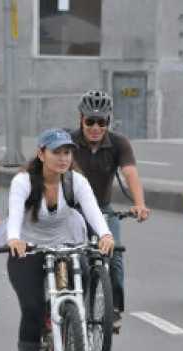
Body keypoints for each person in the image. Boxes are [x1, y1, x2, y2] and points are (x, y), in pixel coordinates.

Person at [4, 128, 114, 351]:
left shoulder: (75, 181)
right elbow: (15, 214)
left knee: (85, 273)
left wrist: (105, 234)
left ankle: (73, 326)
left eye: (67, 153)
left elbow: (92, 210)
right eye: (56, 152)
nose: (63, 158)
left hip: (66, 242)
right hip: (28, 247)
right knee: (31, 309)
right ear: (41, 154)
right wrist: (14, 239)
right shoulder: (24, 181)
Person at [71, 89, 150, 331]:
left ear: (109, 121)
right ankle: (65, 302)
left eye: (101, 122)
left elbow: (130, 173)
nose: (95, 127)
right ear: (81, 119)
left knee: (114, 253)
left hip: (104, 209)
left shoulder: (119, 143)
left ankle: (113, 309)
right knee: (74, 257)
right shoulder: (67, 142)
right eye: (90, 121)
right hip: (73, 211)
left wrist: (139, 204)